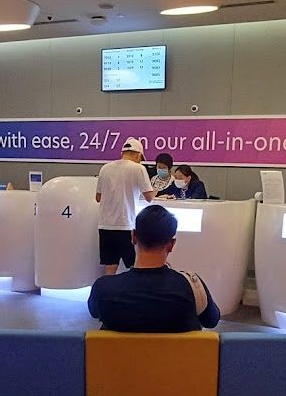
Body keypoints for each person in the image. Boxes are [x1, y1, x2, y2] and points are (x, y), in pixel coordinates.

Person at [88, 205, 220, 332]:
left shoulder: (104, 288)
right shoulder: (193, 287)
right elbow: (211, 320)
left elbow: (94, 312)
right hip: (175, 355)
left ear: (133, 237)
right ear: (171, 244)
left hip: (120, 355)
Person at [96, 137, 155, 275]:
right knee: (133, 266)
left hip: (105, 225)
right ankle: (133, 295)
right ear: (138, 154)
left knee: (111, 265)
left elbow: (98, 197)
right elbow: (149, 198)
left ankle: (107, 295)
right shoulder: (138, 168)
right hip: (126, 225)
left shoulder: (105, 168)